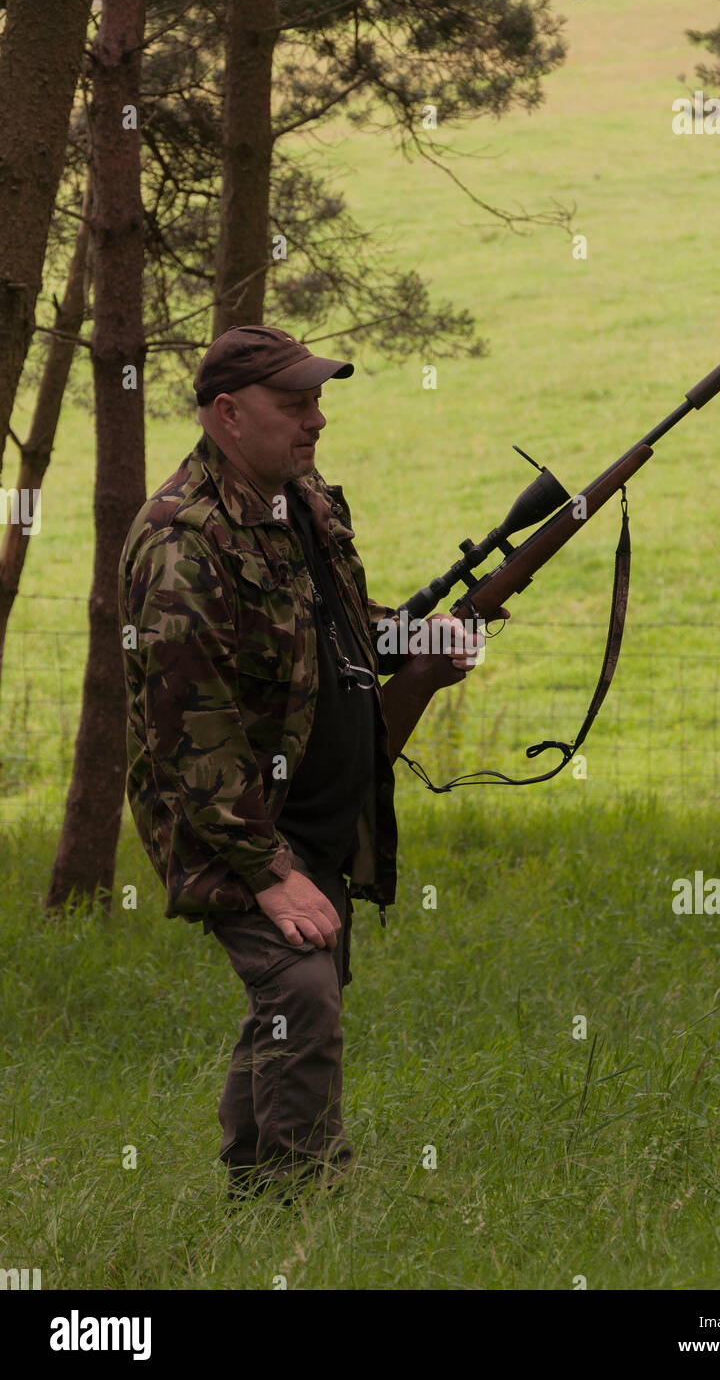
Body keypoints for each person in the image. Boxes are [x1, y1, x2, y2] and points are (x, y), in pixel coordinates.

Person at [118, 325, 481, 1203]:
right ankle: (299, 1206)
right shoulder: (182, 544)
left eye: (319, 401)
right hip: (234, 820)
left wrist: (411, 640)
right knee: (303, 991)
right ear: (228, 415)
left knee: (298, 999)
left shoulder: (300, 496)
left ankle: (251, 1196)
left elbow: (327, 629)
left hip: (314, 808)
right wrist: (269, 871)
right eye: (294, 406)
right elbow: (188, 733)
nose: (316, 421)